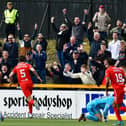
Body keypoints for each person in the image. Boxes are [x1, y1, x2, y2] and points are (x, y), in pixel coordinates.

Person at [105, 58, 126, 126]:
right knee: (115, 105)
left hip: (117, 89)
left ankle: (120, 121)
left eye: (105, 62)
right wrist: (122, 85)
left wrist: (106, 90)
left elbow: (107, 81)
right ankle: (120, 121)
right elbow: (125, 78)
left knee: (117, 106)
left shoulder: (109, 70)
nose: (105, 64)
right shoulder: (120, 69)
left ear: (108, 63)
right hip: (122, 88)